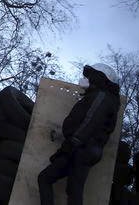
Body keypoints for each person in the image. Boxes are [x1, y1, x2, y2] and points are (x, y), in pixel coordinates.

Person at [37, 63, 120, 205]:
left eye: (90, 75)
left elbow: (90, 121)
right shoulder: (101, 96)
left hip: (82, 148)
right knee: (70, 189)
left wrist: (71, 144)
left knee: (51, 181)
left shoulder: (101, 96)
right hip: (84, 148)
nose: (86, 78)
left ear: (100, 77)